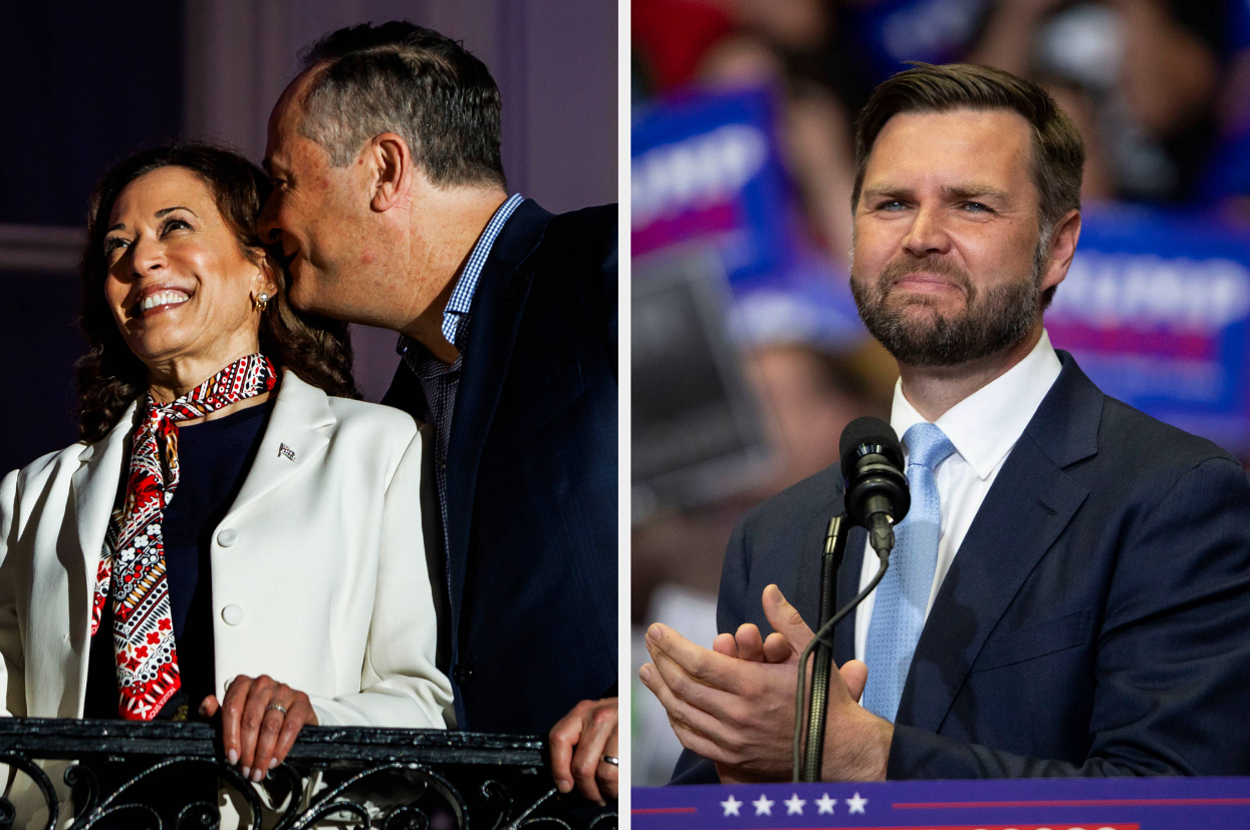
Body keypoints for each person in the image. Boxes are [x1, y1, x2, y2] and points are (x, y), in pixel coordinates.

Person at [641, 62, 1250, 782]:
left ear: (1057, 247)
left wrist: (860, 753)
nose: (922, 235)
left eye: (971, 206)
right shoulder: (773, 537)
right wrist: (744, 780)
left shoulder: (1176, 498)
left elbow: (1169, 801)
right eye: (892, 203)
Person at [0, 143, 452, 820]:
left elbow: (425, 706)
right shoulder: (32, 498)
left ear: (262, 269)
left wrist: (311, 720)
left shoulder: (378, 450)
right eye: (117, 245)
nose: (139, 259)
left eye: (174, 227)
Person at [257, 22, 618, 804]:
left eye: (281, 180)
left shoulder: (603, 264)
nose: (265, 220)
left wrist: (664, 700)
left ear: (383, 169)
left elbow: (765, 483)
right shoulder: (393, 419)